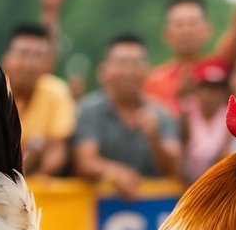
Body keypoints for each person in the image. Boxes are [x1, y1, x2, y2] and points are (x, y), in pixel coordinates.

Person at [72, 34, 182, 198]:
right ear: (104, 71)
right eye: (121, 63)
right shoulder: (88, 109)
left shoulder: (162, 113)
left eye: (136, 63)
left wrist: (155, 138)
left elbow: (173, 167)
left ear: (146, 70)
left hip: (155, 212)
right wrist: (116, 172)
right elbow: (85, 162)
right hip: (95, 214)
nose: (128, 71)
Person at [2, 23, 76, 176]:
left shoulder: (56, 90)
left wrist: (38, 178)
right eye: (23, 54)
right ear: (6, 58)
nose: (30, 64)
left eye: (38, 56)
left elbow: (57, 149)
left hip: (36, 186)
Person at [180, 57, 232, 183]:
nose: (212, 94)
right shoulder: (185, 113)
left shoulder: (230, 117)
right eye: (207, 88)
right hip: (183, 183)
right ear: (197, 90)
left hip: (216, 182)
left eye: (217, 89)